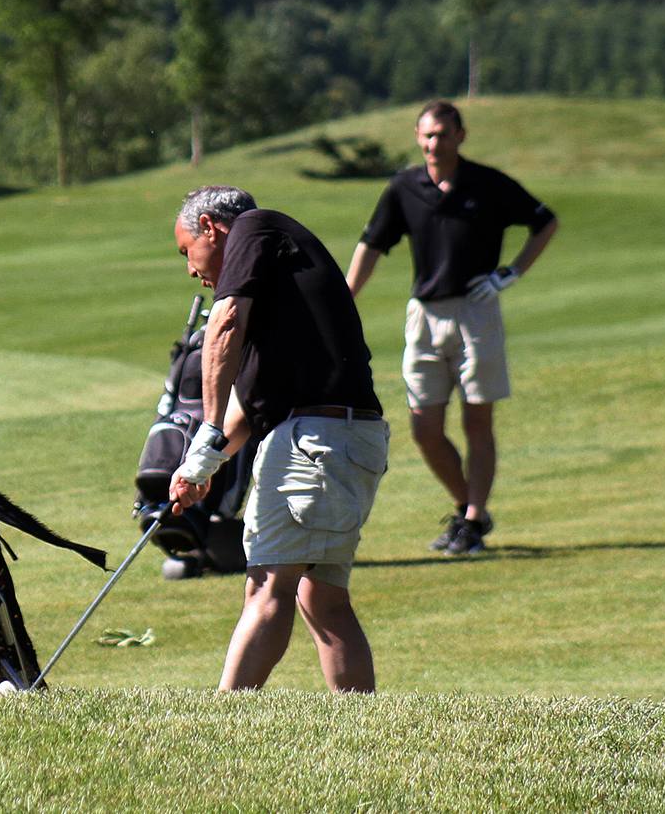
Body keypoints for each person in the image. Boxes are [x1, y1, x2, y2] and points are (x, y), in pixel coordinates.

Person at [168, 185, 388, 693]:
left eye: (187, 252)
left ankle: (224, 724)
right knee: (323, 600)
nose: (190, 270)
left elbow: (223, 325)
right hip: (350, 442)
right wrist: (203, 465)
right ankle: (361, 728)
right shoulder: (279, 285)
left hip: (313, 442)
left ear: (210, 227)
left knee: (267, 588)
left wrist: (204, 431)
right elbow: (249, 408)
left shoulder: (253, 227)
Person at [345, 100, 559, 555]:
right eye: (426, 135)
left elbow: (544, 222)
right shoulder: (405, 187)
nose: (432, 143)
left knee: (477, 420)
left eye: (442, 134)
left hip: (476, 312)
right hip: (424, 315)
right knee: (424, 428)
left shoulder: (487, 183)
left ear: (460, 135)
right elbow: (372, 245)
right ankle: (467, 508)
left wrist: (511, 272)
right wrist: (343, 301)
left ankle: (474, 518)